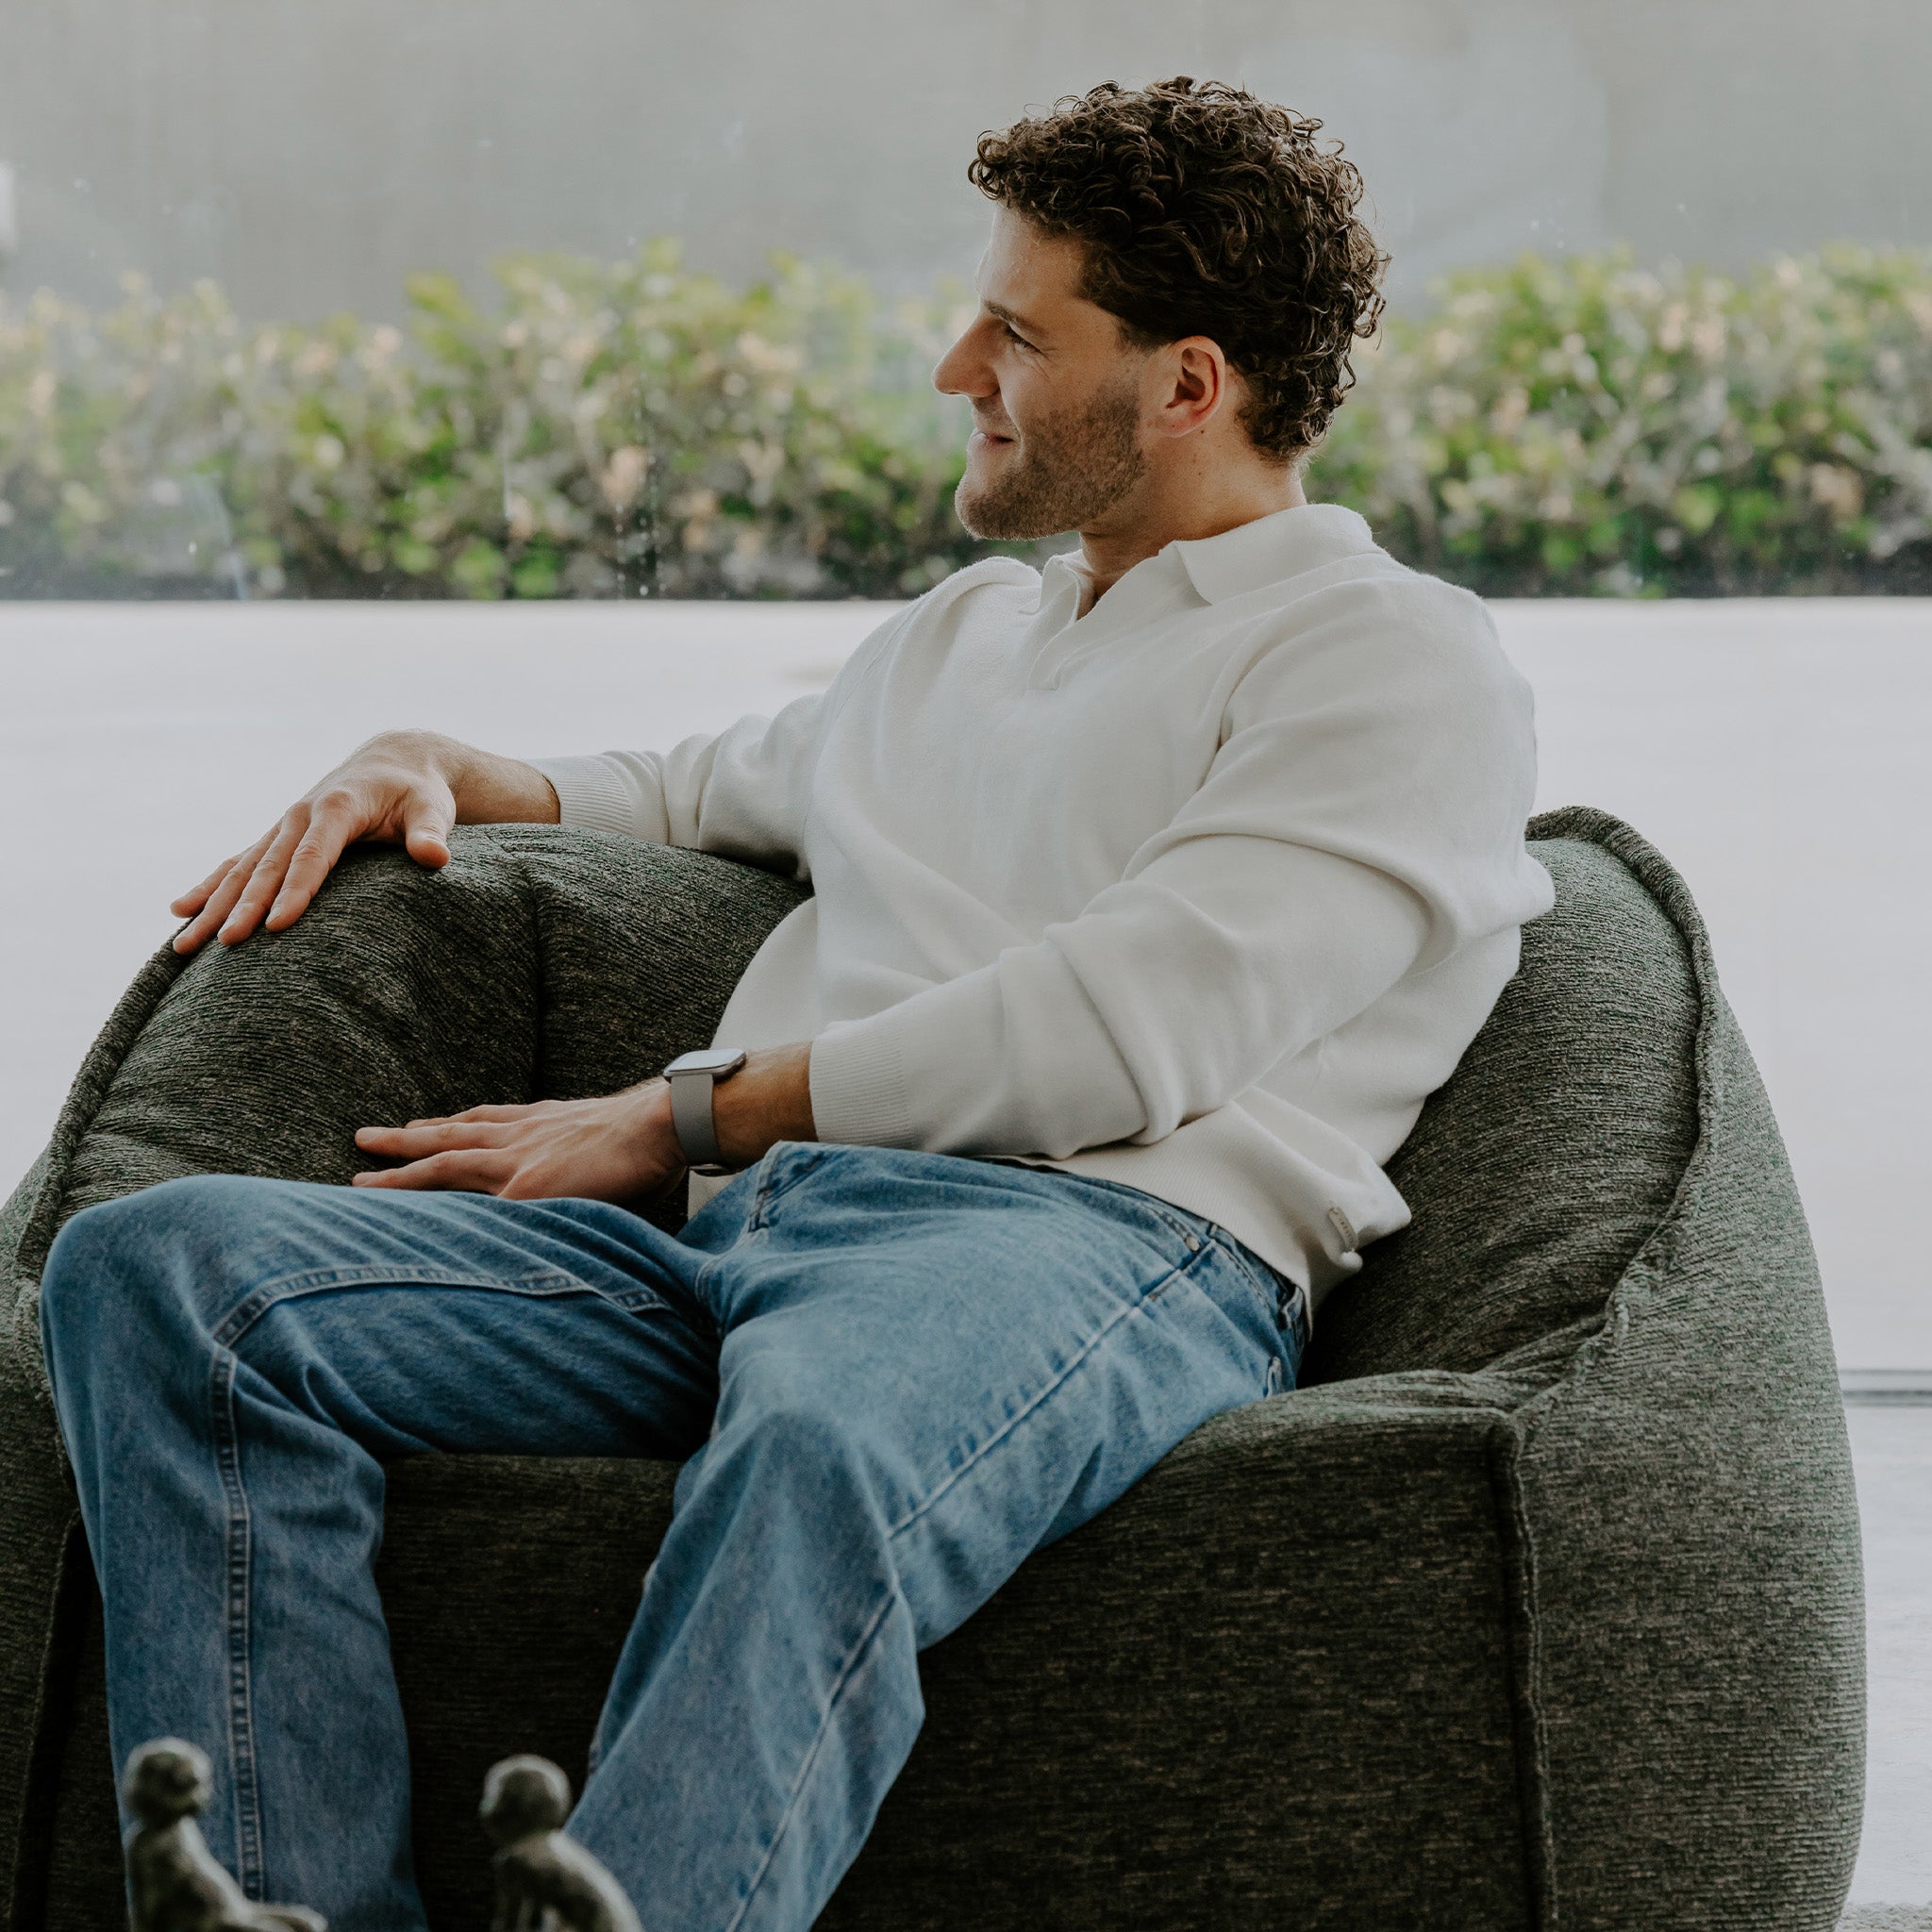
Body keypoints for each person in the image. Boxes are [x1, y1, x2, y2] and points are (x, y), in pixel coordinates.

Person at [40, 77, 1553, 1932]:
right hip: (744, 1248)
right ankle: (294, 1910)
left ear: (1187, 384)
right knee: (168, 1273)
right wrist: (433, 756)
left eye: (1016, 331)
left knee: (826, 1435)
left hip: (1091, 1242)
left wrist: (681, 1110)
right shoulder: (964, 637)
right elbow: (694, 789)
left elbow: (1121, 1030)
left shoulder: (1386, 656)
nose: (952, 368)